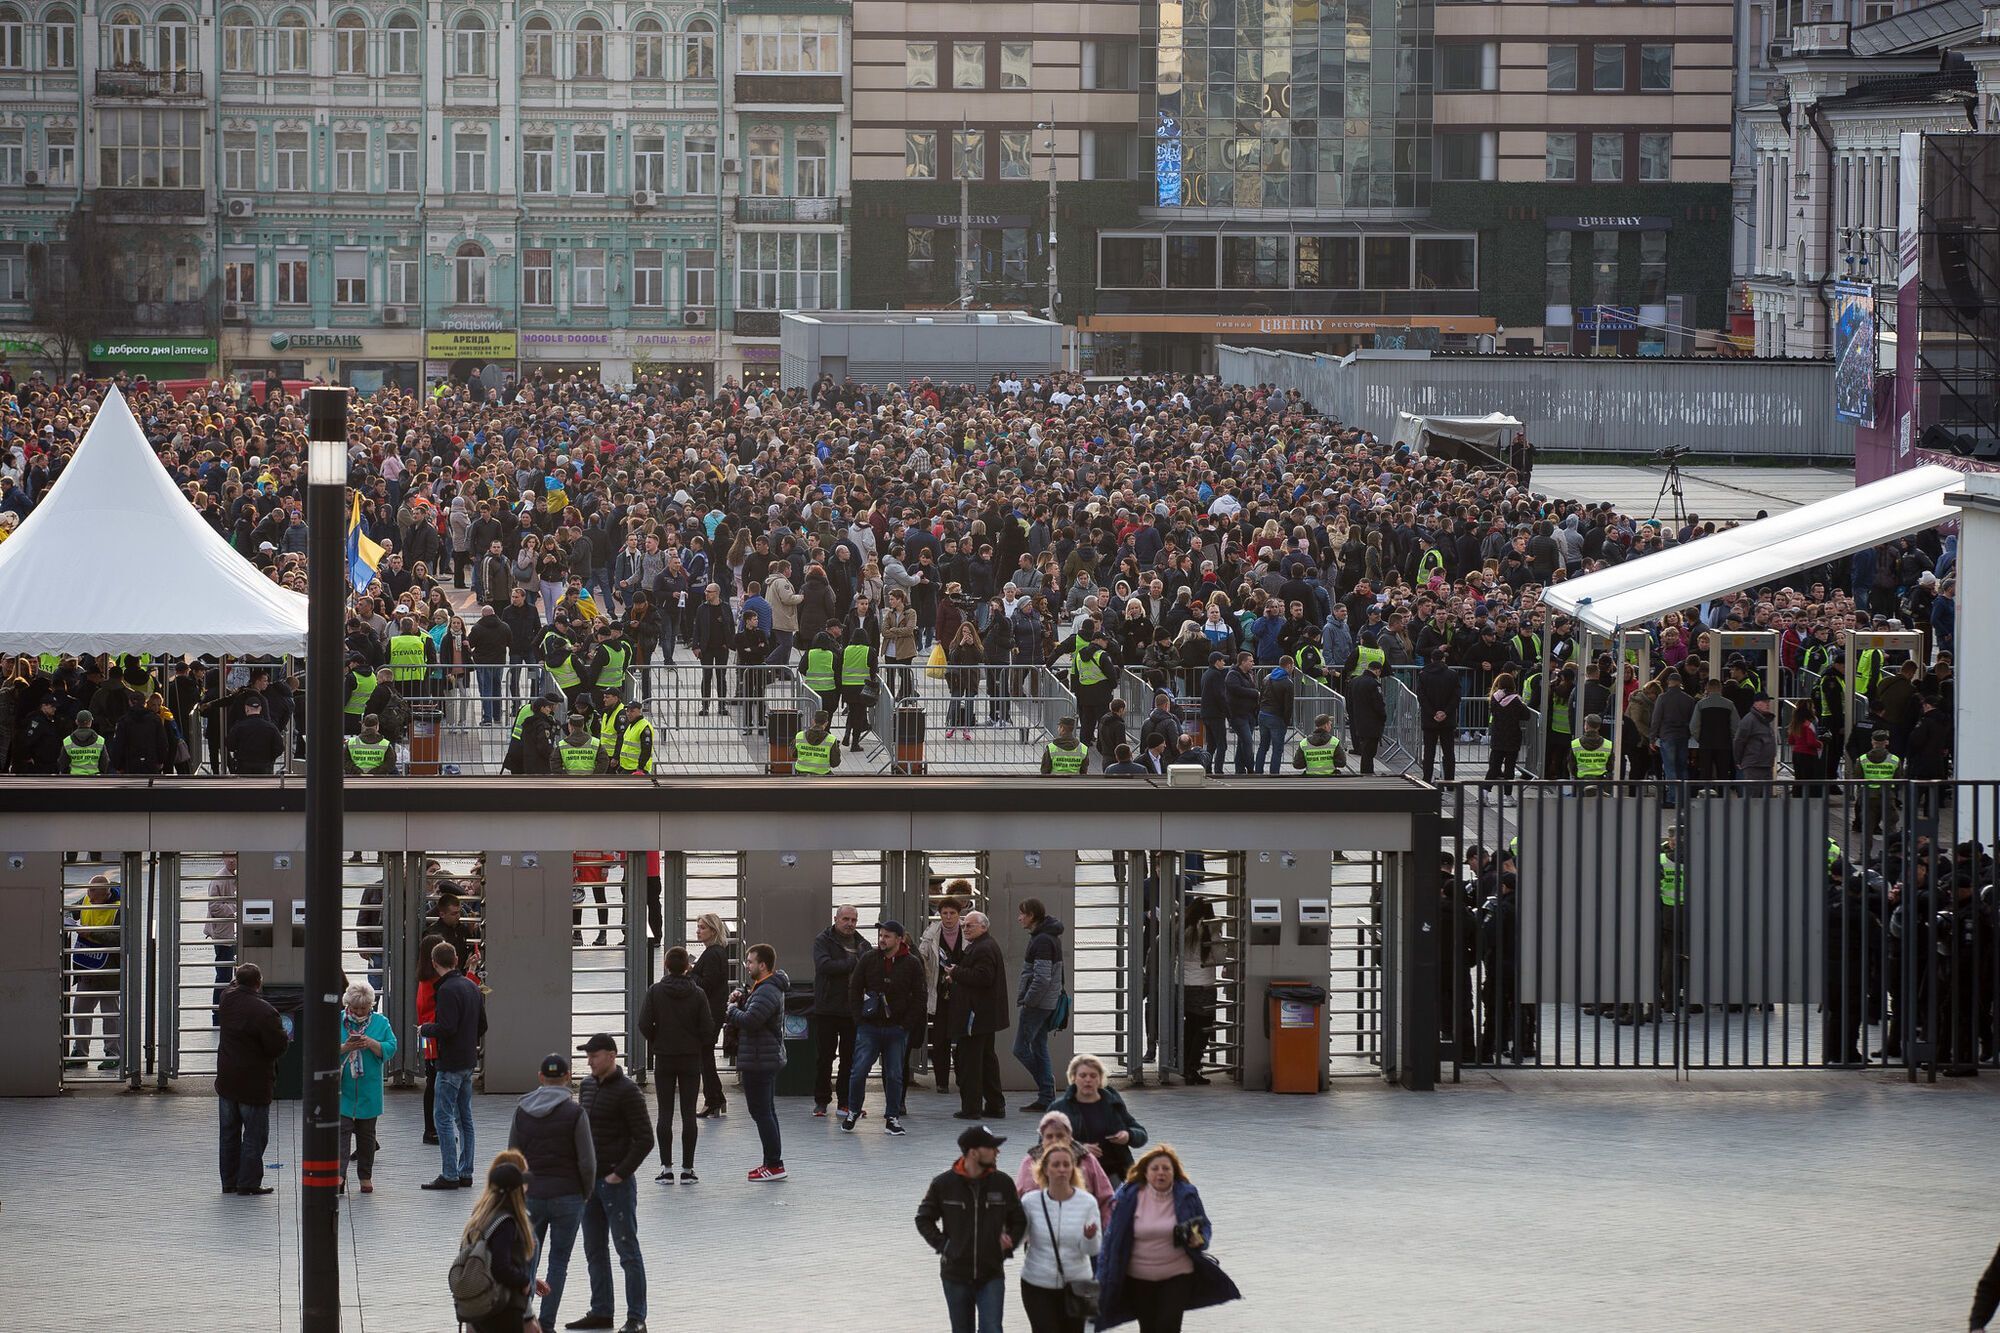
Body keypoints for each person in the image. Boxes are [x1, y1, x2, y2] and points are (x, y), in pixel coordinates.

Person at [1096, 1144, 1241, 1332]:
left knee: (1168, 1326)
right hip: (1139, 1277)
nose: (1160, 1173)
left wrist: (1200, 1239)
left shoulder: (1187, 1194)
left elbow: (1203, 1225)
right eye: (1155, 1169)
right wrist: (1105, 1272)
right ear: (1145, 1173)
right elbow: (1113, 1237)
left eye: (1166, 1169)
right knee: (1148, 1328)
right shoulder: (1128, 1196)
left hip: (1178, 1274)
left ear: (1174, 1172)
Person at [507, 1052, 596, 1332]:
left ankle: (524, 1319)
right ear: (568, 1077)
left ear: (540, 1077)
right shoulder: (575, 1113)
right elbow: (587, 1161)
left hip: (531, 1196)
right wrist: (585, 1193)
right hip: (568, 1196)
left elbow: (513, 1156)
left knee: (526, 1258)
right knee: (559, 1261)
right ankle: (546, 1324)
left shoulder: (522, 1109)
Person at [573, 1034, 653, 1333]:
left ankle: (636, 1318)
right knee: (594, 1249)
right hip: (590, 1183)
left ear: (612, 1055)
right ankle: (601, 1310)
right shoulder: (588, 1087)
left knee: (627, 1250)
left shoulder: (628, 1091)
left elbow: (645, 1138)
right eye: (588, 1056)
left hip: (616, 1184)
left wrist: (620, 1172)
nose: (589, 1060)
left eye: (594, 1055)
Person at [915, 1124, 1028, 1333]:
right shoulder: (944, 1184)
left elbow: (1019, 1219)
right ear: (973, 1153)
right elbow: (924, 1218)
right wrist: (945, 1246)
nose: (997, 1151)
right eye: (992, 1147)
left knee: (992, 1329)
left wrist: (1009, 1242)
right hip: (955, 1274)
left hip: (991, 1272)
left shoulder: (1002, 1183)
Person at [638, 946, 713, 1182]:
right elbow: (708, 1028)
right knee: (689, 1114)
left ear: (667, 966)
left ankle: (666, 1169)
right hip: (691, 1058)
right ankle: (688, 1169)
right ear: (688, 967)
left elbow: (643, 1023)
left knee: (665, 1113)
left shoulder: (655, 991)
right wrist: (696, 1044)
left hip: (664, 1058)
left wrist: (657, 1040)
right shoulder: (698, 993)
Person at [843, 918, 925, 1134]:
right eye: (881, 936)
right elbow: (854, 988)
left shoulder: (912, 963)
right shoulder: (869, 958)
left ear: (899, 939)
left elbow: (920, 997)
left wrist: (905, 1025)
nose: (882, 939)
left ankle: (892, 1117)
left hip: (897, 1028)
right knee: (859, 1070)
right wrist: (859, 1019)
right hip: (869, 1026)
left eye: (887, 936)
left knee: (895, 1074)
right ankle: (853, 1111)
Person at [214, 962, 288, 1196]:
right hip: (254, 1084)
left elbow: (231, 986)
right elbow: (277, 1047)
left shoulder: (226, 999)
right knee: (254, 1136)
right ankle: (248, 1182)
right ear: (259, 983)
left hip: (227, 1079)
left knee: (228, 1134)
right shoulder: (265, 1012)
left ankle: (229, 1181)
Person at [454, 1152, 547, 1333]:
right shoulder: (506, 1222)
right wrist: (523, 1280)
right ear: (516, 1190)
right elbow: (500, 1266)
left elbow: (486, 1257)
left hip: (477, 1304)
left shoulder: (480, 1217)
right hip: (503, 1307)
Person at [423, 938, 488, 1189]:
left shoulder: (447, 990)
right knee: (465, 1119)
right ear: (457, 961)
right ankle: (466, 1172)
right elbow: (482, 1025)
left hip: (450, 1063)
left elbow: (446, 1027)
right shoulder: (471, 987)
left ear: (434, 963)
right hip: (468, 1061)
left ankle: (449, 1174)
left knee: (443, 1117)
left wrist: (425, 1029)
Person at [1018, 1138, 1103, 1333]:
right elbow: (1019, 1237)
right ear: (1045, 1170)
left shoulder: (1087, 1202)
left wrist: (1089, 1237)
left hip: (1078, 1284)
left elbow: (1093, 1250)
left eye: (1067, 1164)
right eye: (1056, 1165)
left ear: (1073, 1169)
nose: (1062, 1169)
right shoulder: (1031, 1202)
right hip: (1037, 1282)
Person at [724, 941, 790, 1182]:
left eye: (750, 961)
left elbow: (752, 1020)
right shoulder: (762, 987)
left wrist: (732, 1010)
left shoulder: (767, 990)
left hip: (760, 1059)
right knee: (766, 1112)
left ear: (762, 965)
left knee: (762, 1113)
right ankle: (771, 1162)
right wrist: (742, 999)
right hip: (762, 1057)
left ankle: (774, 1164)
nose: (747, 965)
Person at [337, 980, 397, 1194]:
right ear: (348, 1005)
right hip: (343, 1089)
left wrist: (372, 1044)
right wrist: (345, 1047)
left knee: (366, 1136)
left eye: (364, 1008)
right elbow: (324, 1049)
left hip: (368, 1089)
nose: (360, 1012)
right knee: (341, 1135)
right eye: (356, 1008)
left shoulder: (381, 1022)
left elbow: (391, 1046)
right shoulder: (338, 1021)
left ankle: (365, 1176)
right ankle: (340, 1176)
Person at [950, 909, 1011, 1121]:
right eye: (964, 925)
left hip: (975, 1017)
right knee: (986, 1061)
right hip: (985, 1016)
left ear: (984, 927)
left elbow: (983, 977)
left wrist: (955, 972)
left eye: (970, 925)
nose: (965, 929)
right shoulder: (984, 945)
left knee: (970, 1063)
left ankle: (971, 1108)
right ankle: (995, 1105)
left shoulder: (983, 948)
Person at [1047, 1053, 1147, 1181]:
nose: (1088, 1080)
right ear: (1073, 1078)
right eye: (1082, 1075)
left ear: (1100, 1079)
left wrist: (1128, 1136)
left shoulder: (1112, 1103)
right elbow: (1045, 1145)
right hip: (1074, 1176)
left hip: (1113, 1174)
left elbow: (1141, 1134)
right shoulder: (1059, 1108)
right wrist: (1079, 1149)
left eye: (1093, 1076)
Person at [1014, 1109, 1116, 1228]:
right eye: (1049, 1136)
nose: (1055, 1140)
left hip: (1081, 1231)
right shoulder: (1030, 1161)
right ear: (1042, 1139)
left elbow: (1106, 1199)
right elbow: (1017, 1200)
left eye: (1060, 1136)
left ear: (1070, 1137)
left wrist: (1104, 1229)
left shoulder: (1086, 1159)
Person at [810, 903, 866, 1117]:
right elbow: (824, 966)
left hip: (852, 1011)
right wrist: (853, 962)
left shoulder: (862, 944)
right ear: (836, 918)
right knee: (824, 1057)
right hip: (827, 1009)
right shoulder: (822, 941)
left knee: (849, 1059)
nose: (850, 924)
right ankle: (821, 1100)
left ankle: (846, 1101)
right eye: (846, 919)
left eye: (853, 920)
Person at [1014, 897, 1066, 1111]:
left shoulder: (1042, 940)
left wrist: (1029, 1001)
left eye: (1022, 914)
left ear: (1032, 916)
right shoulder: (1048, 936)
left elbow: (1042, 977)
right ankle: (1046, 1097)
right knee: (1039, 1046)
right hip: (1048, 1002)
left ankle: (1047, 1088)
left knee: (1020, 1049)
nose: (1019, 918)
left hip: (1038, 1005)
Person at [65, 873, 121, 1069]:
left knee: (110, 1013)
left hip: (109, 969)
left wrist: (91, 933)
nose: (88, 894)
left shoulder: (118, 908)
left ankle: (113, 1054)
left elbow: (120, 939)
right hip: (87, 966)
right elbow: (71, 911)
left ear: (106, 892)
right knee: (80, 1010)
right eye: (88, 889)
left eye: (93, 891)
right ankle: (80, 1052)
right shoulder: (87, 898)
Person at [920, 890, 972, 1094]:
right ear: (939, 914)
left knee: (962, 1038)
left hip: (963, 992)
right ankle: (941, 1081)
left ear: (959, 914)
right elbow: (922, 957)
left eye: (952, 913)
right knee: (940, 1038)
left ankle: (961, 1078)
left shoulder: (968, 932)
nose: (948, 917)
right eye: (945, 913)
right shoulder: (931, 934)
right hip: (939, 993)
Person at [690, 913, 731, 1118]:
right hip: (712, 1013)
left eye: (702, 927)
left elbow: (707, 984)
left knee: (704, 1057)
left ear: (713, 931)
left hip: (710, 1015)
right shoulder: (715, 952)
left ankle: (713, 1100)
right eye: (698, 927)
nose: (698, 931)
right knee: (705, 1056)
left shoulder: (713, 954)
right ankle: (716, 1098)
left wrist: (690, 972)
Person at [1179, 898, 1224, 1084]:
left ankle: (1184, 1064)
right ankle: (1192, 1066)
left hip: (1183, 984)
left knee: (1190, 1025)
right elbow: (1220, 957)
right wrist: (1216, 933)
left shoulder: (1183, 929)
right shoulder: (1208, 931)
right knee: (1203, 1027)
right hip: (1203, 985)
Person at [1345, 657, 1387, 775]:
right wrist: (1383, 717)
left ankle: (1367, 772)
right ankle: (1367, 773)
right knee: (1370, 751)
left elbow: (1349, 702)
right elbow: (1379, 705)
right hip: (1372, 722)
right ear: (1377, 671)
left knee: (1365, 750)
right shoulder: (1373, 684)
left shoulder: (1354, 681)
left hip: (1358, 721)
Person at [224, 695, 286, 774]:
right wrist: (270, 758)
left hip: (243, 767)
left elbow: (230, 745)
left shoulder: (238, 727)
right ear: (260, 709)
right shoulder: (271, 728)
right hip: (265, 767)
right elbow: (279, 748)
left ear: (246, 709)